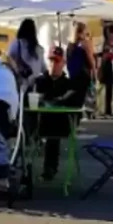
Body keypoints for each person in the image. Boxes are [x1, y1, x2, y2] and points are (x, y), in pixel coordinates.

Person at [34, 46, 85, 181]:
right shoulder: (39, 82)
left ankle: (50, 168)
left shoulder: (70, 84)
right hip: (39, 122)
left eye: (57, 61)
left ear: (63, 63)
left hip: (60, 125)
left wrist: (60, 100)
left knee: (53, 134)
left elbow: (76, 106)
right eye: (51, 61)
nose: (53, 65)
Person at [6, 18, 45, 84]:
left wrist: (16, 70)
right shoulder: (38, 48)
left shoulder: (16, 44)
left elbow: (9, 59)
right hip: (35, 82)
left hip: (21, 81)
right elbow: (43, 67)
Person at [67, 22, 96, 105]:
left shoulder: (70, 46)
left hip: (74, 77)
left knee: (75, 102)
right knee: (83, 102)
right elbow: (92, 62)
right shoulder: (84, 44)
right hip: (82, 77)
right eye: (85, 33)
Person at [98, 24, 113, 118]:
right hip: (108, 68)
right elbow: (103, 57)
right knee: (109, 90)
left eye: (112, 35)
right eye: (108, 36)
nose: (110, 38)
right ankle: (108, 110)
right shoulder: (105, 44)